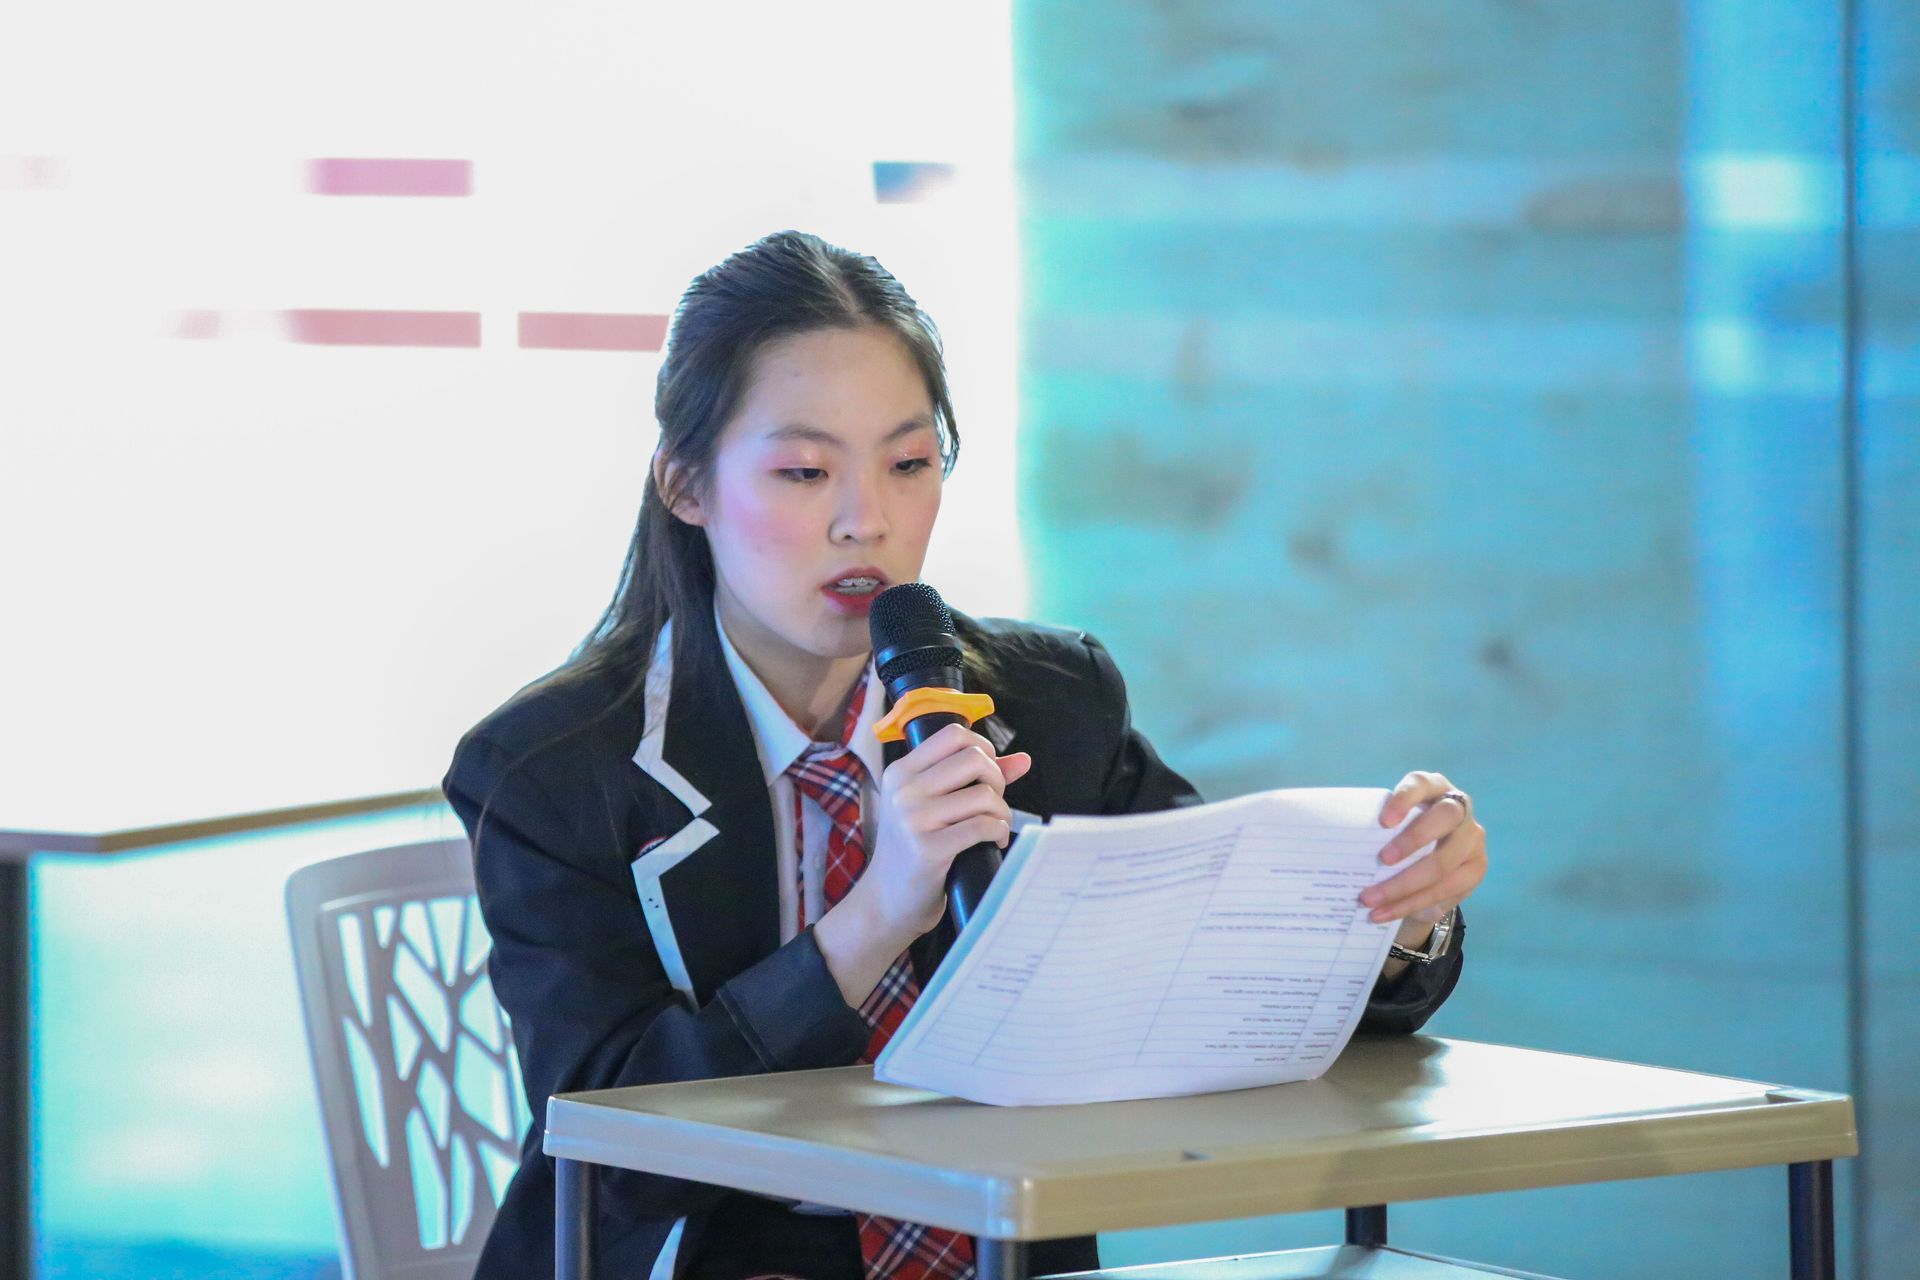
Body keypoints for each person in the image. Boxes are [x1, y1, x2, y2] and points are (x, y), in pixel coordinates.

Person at [442, 230, 1489, 1280]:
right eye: (805, 470)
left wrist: (1395, 915)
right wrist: (881, 907)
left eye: (909, 463)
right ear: (685, 484)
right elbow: (610, 1140)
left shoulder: (1048, 699)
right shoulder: (548, 770)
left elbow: (1219, 968)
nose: (869, 520)